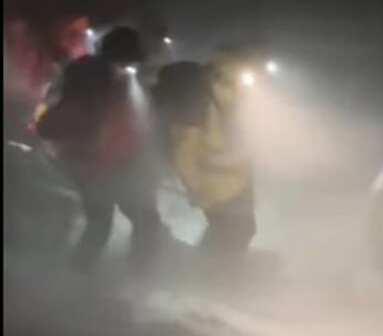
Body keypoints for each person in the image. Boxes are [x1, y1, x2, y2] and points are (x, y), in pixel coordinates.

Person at [36, 27, 161, 274]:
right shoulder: (103, 78)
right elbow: (106, 122)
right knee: (144, 220)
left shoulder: (84, 71)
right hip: (100, 161)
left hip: (82, 159)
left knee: (100, 220)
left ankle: (79, 274)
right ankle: (137, 275)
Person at [157, 44, 258, 261]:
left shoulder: (229, 87)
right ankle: (219, 277)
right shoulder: (199, 98)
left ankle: (215, 270)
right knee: (235, 231)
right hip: (216, 179)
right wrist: (195, 185)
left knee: (235, 230)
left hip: (233, 175)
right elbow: (184, 149)